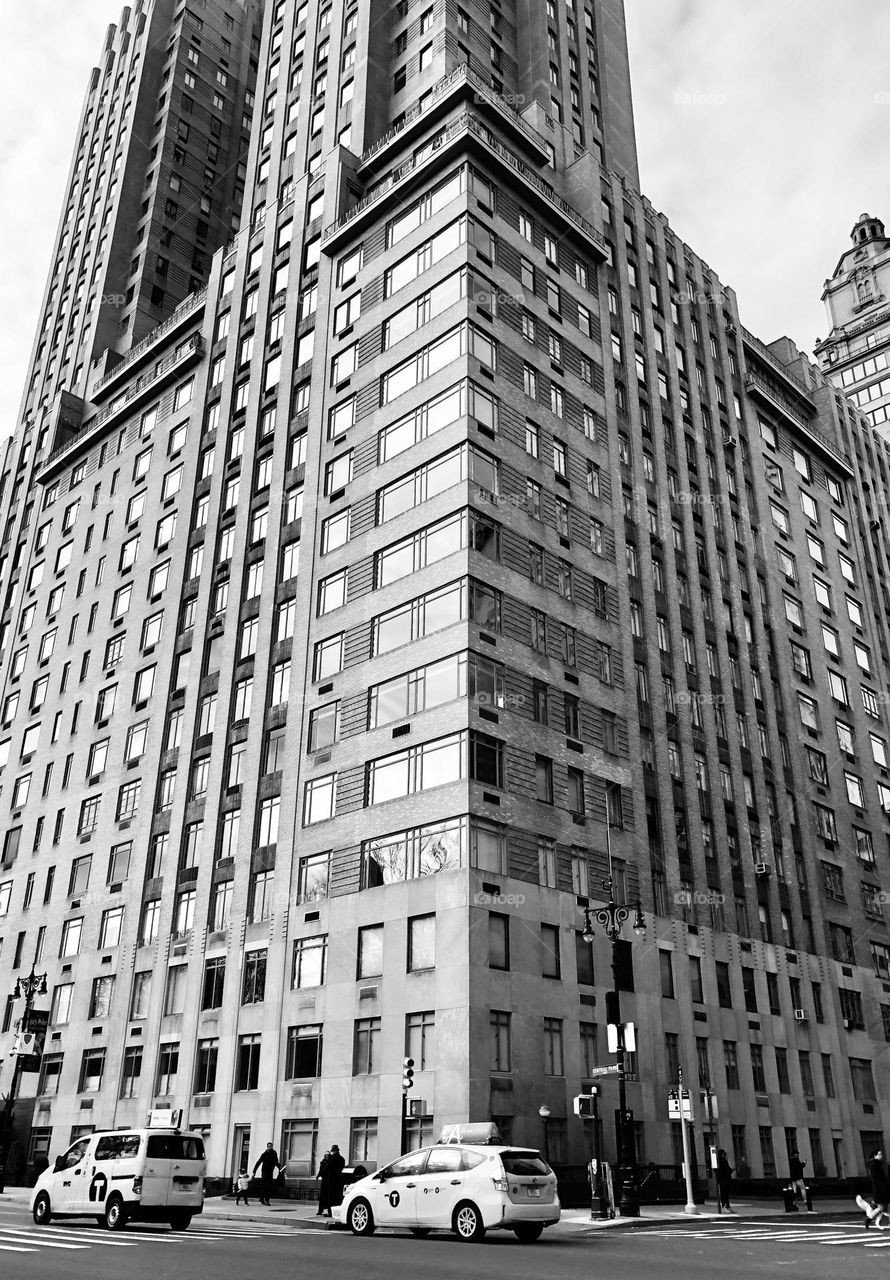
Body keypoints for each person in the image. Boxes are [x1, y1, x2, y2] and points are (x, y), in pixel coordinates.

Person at [858, 1148, 890, 1230]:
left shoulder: (877, 1164)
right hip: (879, 1190)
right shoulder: (874, 1166)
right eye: (879, 1154)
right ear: (875, 1156)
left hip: (881, 1190)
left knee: (883, 1208)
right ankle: (868, 1219)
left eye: (881, 1154)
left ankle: (868, 1219)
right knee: (882, 1208)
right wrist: (883, 1188)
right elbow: (877, 1179)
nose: (881, 1156)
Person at [253, 1142, 281, 1207]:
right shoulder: (264, 1154)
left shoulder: (274, 1153)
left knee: (267, 1186)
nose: (270, 1148)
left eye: (271, 1146)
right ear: (267, 1147)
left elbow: (276, 1161)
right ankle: (266, 1200)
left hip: (270, 1171)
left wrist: (280, 1167)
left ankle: (262, 1198)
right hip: (264, 1172)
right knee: (265, 1186)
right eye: (268, 1146)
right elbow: (259, 1162)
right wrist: (254, 1171)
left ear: (272, 1147)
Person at [716, 1149, 735, 1213]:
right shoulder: (721, 1161)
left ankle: (727, 1206)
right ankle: (724, 1206)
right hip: (723, 1180)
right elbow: (723, 1171)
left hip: (725, 1179)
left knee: (725, 1194)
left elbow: (727, 1170)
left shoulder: (723, 1161)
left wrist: (730, 1170)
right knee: (724, 1194)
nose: (724, 1155)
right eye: (723, 1154)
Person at [316, 1151, 332, 1216]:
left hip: (329, 1181)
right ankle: (320, 1210)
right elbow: (321, 1170)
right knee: (322, 1197)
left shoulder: (330, 1162)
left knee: (328, 1197)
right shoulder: (322, 1162)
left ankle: (328, 1211)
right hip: (324, 1181)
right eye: (326, 1155)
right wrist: (318, 1175)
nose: (327, 1156)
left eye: (328, 1155)